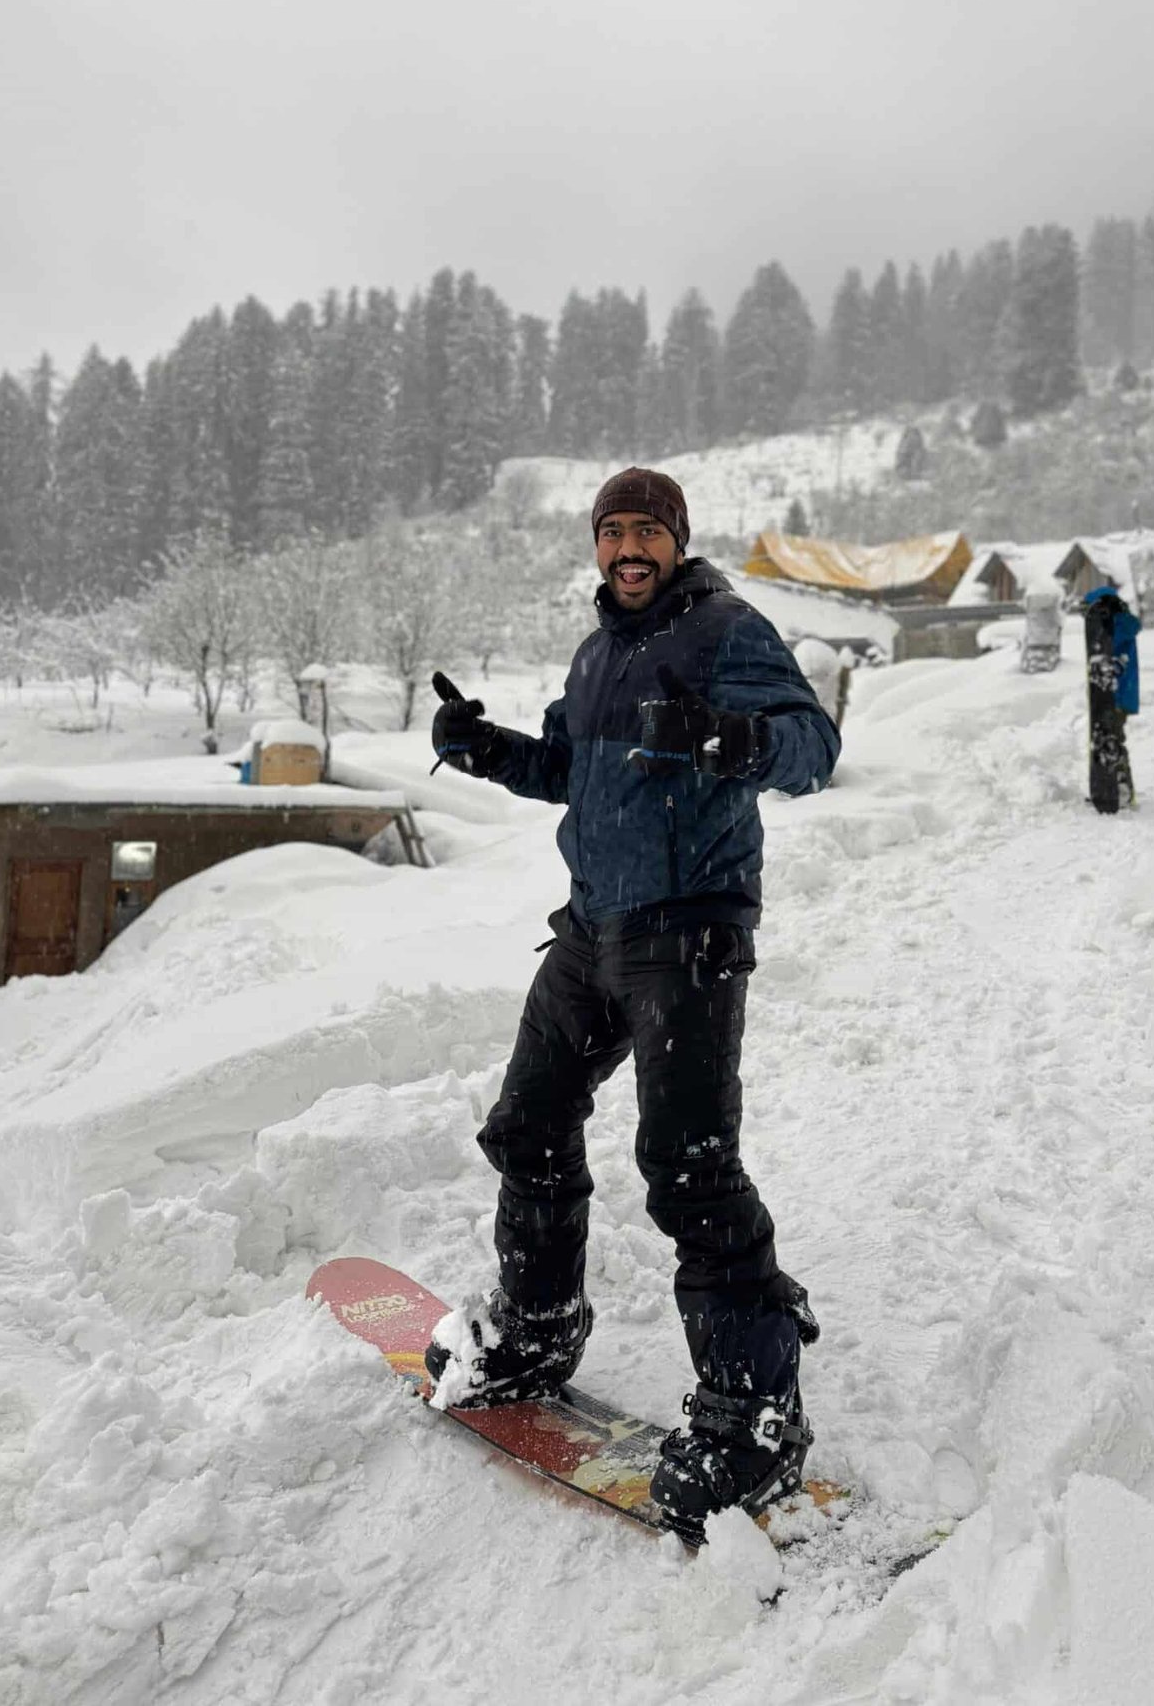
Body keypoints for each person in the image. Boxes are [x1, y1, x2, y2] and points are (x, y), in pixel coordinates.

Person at [423, 466, 840, 1542]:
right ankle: (535, 1329)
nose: (627, 550)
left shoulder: (727, 631)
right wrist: (484, 750)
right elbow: (568, 769)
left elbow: (812, 746)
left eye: (646, 531)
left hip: (688, 933)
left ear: (678, 539)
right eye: (611, 534)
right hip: (592, 930)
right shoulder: (597, 647)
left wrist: (731, 739)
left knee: (689, 1171)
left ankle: (755, 1416)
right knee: (527, 1125)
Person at [1082, 583, 1140, 813]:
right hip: (1116, 693)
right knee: (1111, 738)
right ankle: (1116, 787)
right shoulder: (1120, 624)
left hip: (1117, 694)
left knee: (1112, 740)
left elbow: (1109, 657)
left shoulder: (1118, 626)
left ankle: (1121, 790)